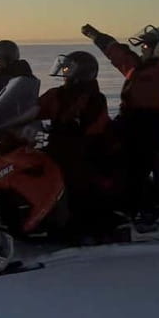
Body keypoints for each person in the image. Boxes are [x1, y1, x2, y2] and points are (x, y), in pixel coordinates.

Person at [81, 4, 159, 212]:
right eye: (142, 46)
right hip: (128, 121)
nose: (142, 49)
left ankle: (136, 212)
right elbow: (118, 54)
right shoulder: (137, 67)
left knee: (135, 169)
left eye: (146, 46)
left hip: (151, 126)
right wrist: (97, 36)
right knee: (96, 151)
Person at [35, 51, 112, 236]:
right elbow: (35, 108)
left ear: (82, 72)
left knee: (74, 177)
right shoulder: (57, 94)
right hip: (58, 146)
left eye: (68, 67)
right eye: (65, 66)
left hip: (84, 148)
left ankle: (77, 224)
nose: (64, 70)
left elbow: (94, 128)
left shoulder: (93, 98)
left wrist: (69, 128)